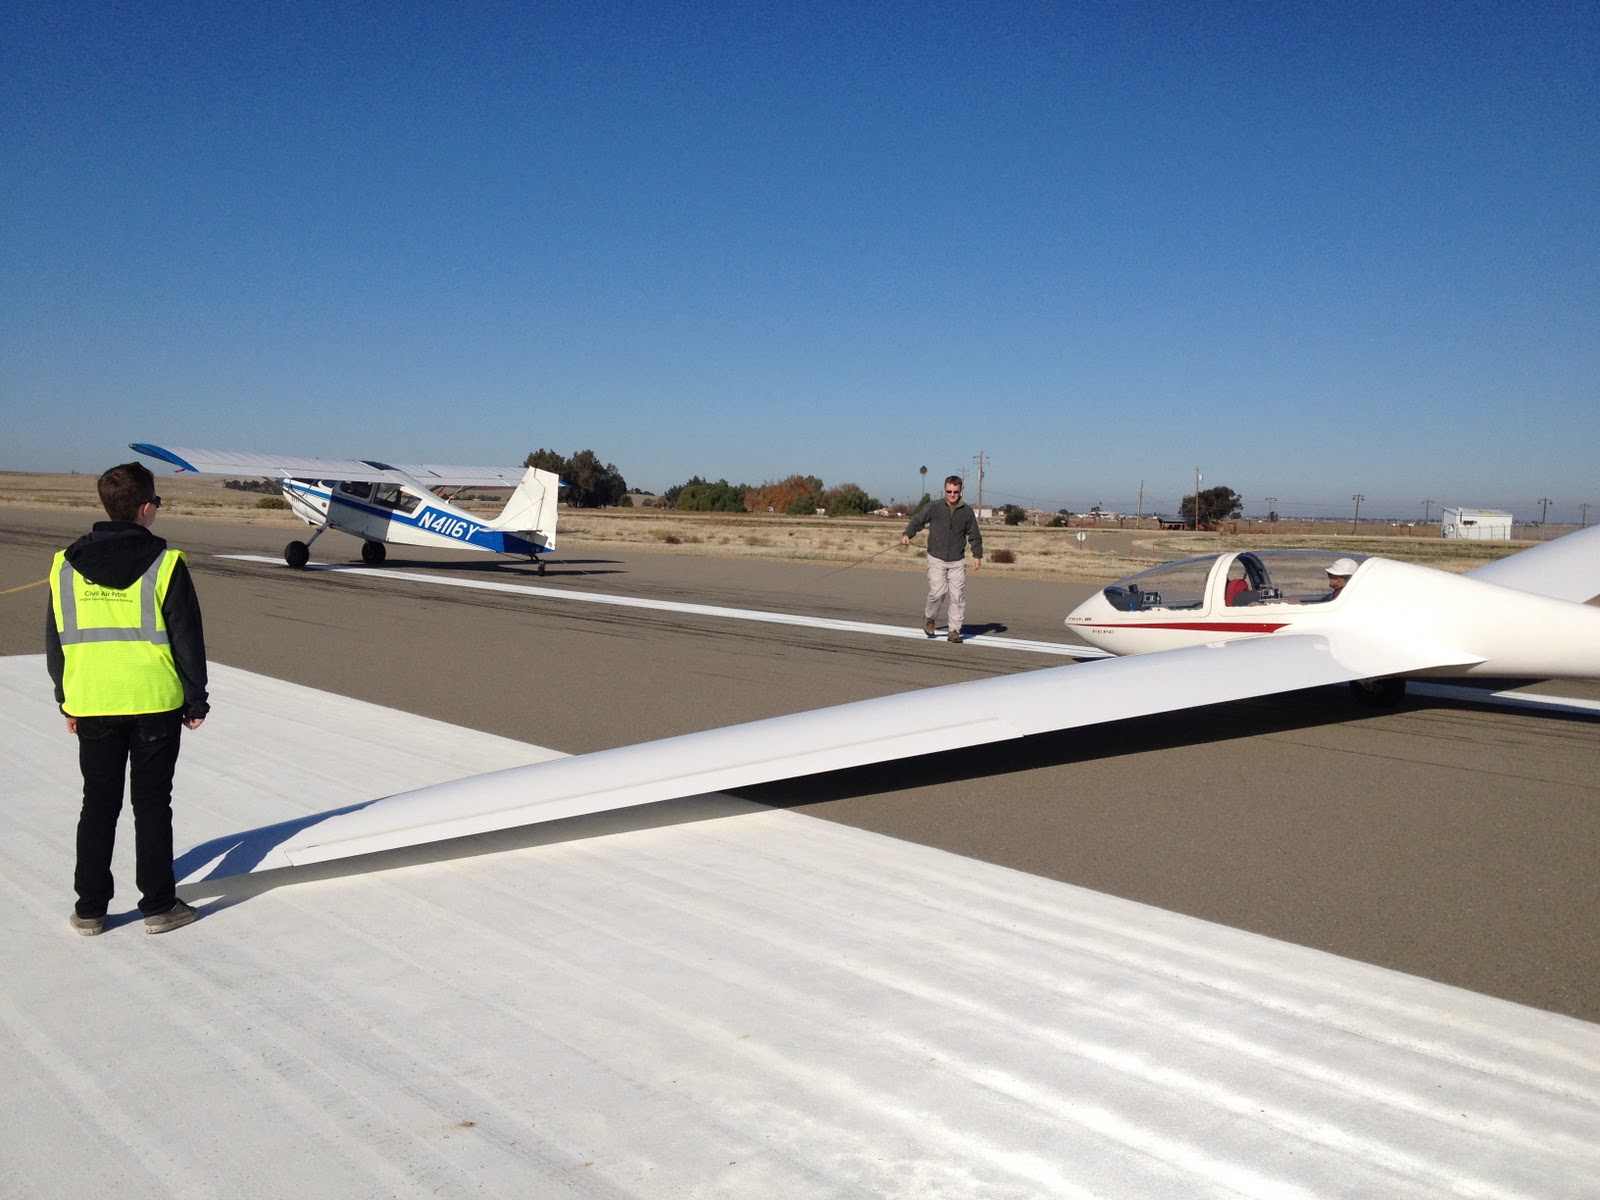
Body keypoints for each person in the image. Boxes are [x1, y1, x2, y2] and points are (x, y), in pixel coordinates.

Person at [46, 462, 209, 936]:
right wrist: (196, 700)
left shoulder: (64, 564)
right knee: (153, 805)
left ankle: (90, 910)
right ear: (144, 509)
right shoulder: (166, 564)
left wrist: (67, 700)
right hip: (154, 701)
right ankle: (158, 906)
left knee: (98, 804)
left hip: (93, 701)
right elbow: (187, 638)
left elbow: (56, 640)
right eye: (156, 502)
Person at [901, 475, 984, 643]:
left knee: (957, 596)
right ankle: (929, 618)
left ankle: (954, 631)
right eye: (949, 491)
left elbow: (974, 535)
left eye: (955, 491)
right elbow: (918, 520)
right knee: (938, 592)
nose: (952, 494)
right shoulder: (934, 507)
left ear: (961, 491)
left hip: (957, 561)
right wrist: (907, 534)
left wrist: (977, 556)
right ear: (945, 490)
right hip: (936, 558)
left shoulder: (967, 511)